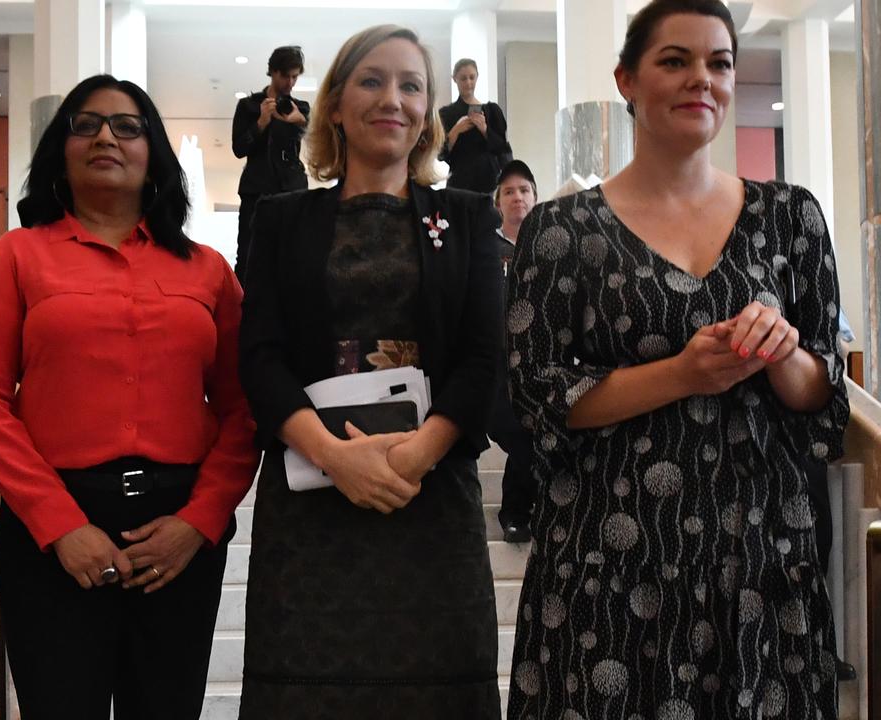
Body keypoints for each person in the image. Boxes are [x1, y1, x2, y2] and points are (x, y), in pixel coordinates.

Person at [505, 1, 848, 717]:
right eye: (675, 61)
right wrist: (684, 374)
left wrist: (782, 353)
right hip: (607, 562)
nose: (703, 80)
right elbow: (539, 396)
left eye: (719, 64)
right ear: (627, 79)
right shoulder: (560, 228)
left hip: (761, 559)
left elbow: (825, 395)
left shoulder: (791, 215)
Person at [0, 74, 257, 720]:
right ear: (59, 150)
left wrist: (198, 524)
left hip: (178, 533)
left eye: (126, 126)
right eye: (84, 125)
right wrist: (60, 526)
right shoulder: (17, 257)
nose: (104, 138)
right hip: (53, 531)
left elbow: (243, 410)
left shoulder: (207, 270)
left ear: (154, 155)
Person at [239, 25, 503, 718]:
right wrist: (335, 457)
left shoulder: (468, 219)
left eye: (411, 85)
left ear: (428, 114)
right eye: (372, 80)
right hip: (310, 508)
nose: (394, 98)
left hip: (432, 500)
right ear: (334, 104)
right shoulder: (280, 219)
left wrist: (413, 456)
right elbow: (259, 355)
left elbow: (484, 357)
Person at [231, 45, 310, 284]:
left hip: (292, 188)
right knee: (248, 253)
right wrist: (261, 123)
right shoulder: (248, 106)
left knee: (293, 253)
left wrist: (300, 123)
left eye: (295, 76)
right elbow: (239, 149)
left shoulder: (300, 108)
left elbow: (311, 142)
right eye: (285, 75)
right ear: (273, 72)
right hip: (256, 188)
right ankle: (242, 313)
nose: (290, 82)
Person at [488, 160, 537, 543]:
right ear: (498, 202)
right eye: (509, 191)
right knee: (520, 435)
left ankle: (522, 511)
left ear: (535, 198)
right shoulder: (486, 250)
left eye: (523, 190)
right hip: (495, 369)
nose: (517, 197)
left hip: (541, 364)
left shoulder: (551, 247)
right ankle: (514, 511)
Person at [438, 59, 510, 193]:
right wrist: (456, 130)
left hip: (489, 183)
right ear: (455, 79)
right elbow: (440, 154)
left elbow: (502, 149)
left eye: (472, 77)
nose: (468, 83)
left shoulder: (492, 111)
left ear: (477, 76)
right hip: (459, 183)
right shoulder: (446, 114)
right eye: (463, 78)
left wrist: (485, 129)